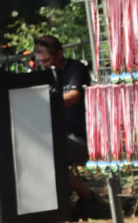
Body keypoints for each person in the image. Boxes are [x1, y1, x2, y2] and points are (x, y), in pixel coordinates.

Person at [33, 34, 94, 211]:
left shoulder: (76, 69)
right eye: (40, 62)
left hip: (81, 136)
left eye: (47, 60)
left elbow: (73, 97)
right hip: (59, 135)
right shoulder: (48, 74)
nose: (44, 65)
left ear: (59, 54)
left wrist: (46, 100)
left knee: (51, 156)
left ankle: (87, 196)